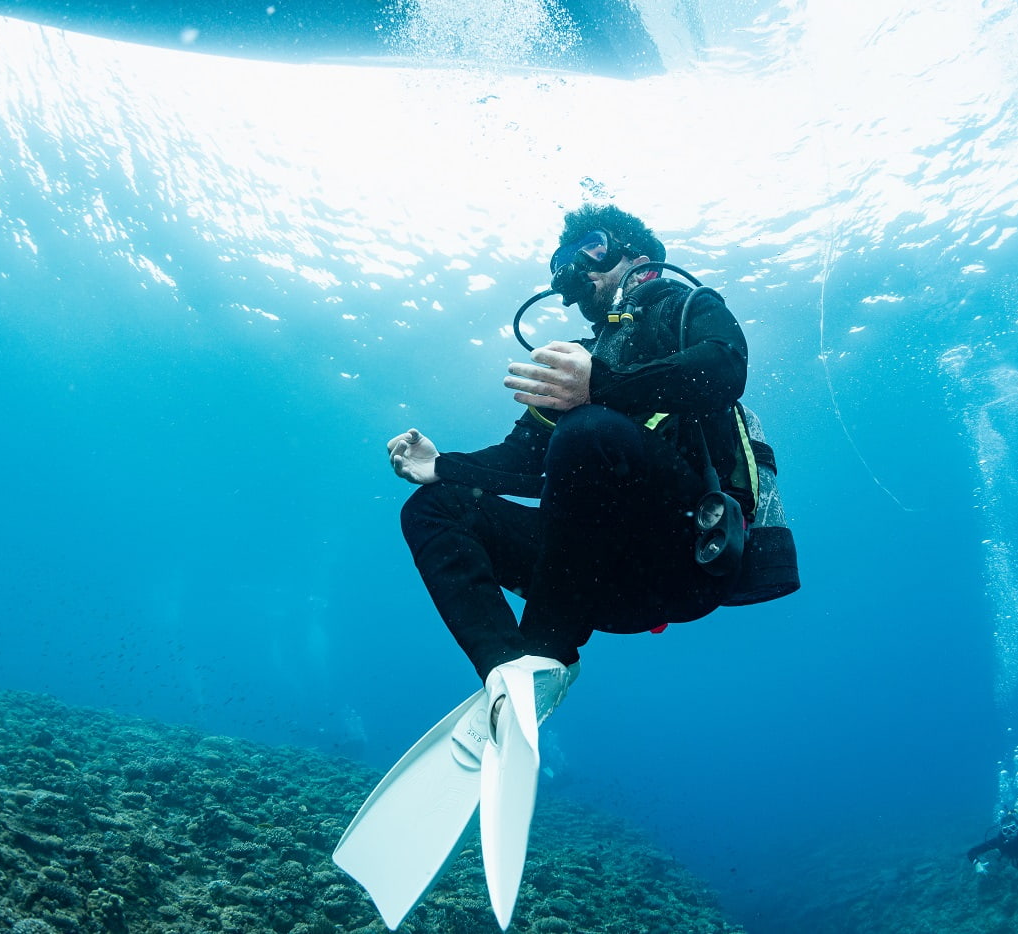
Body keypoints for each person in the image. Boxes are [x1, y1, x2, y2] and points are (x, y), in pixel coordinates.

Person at [334, 205, 795, 931]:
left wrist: (601, 390)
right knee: (434, 508)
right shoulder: (575, 365)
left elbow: (723, 370)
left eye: (591, 247)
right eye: (563, 259)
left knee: (585, 432)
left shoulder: (683, 309)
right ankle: (509, 672)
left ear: (635, 253)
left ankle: (547, 651)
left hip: (678, 568)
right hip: (587, 579)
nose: (575, 266)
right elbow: (524, 462)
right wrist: (440, 465)